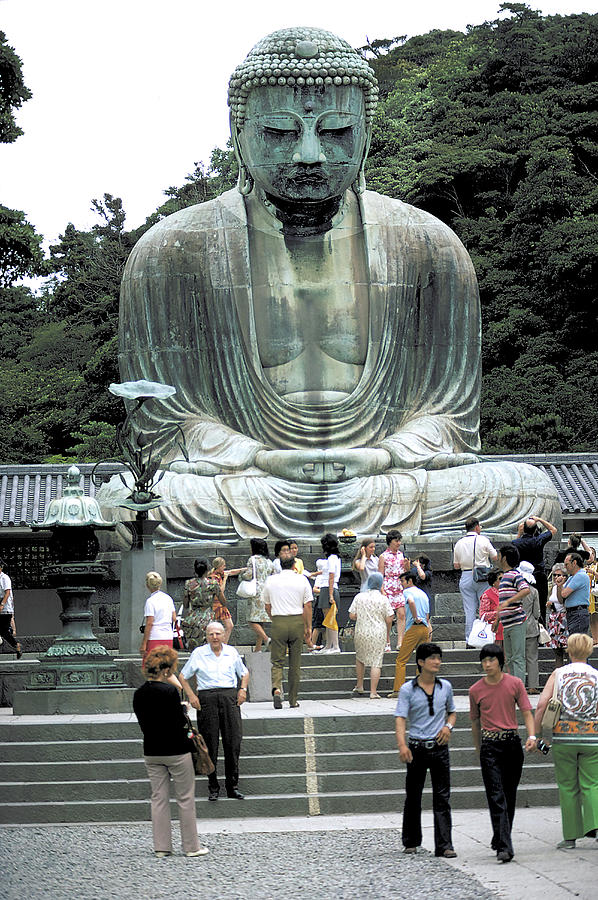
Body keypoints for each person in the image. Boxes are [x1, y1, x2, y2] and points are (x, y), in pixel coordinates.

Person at [105, 26, 560, 543]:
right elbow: (167, 426)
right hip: (249, 480)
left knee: (526, 490)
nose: (308, 154)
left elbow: (448, 418)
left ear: (365, 132)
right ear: (238, 132)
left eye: (335, 130)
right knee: (127, 501)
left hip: (383, 477)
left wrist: (384, 454)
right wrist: (258, 456)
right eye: (280, 131)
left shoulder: (429, 245)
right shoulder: (173, 251)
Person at [133, 646, 209, 858]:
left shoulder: (138, 694)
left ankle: (162, 847)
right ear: (166, 670)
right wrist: (183, 708)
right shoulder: (169, 692)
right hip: (176, 751)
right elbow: (179, 725)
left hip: (152, 750)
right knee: (185, 798)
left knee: (158, 798)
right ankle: (192, 847)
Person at [469, 643, 537, 863]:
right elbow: (475, 723)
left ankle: (500, 836)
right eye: (484, 660)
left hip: (511, 744)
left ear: (500, 661)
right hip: (489, 746)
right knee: (495, 795)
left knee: (509, 794)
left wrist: (532, 736)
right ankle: (505, 847)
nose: (487, 664)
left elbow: (527, 712)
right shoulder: (475, 690)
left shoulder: (515, 683)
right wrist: (478, 748)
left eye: (491, 660)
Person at [534, 632, 598, 850]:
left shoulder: (559, 674)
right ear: (589, 651)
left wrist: (536, 734)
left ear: (569, 651)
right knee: (592, 784)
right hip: (592, 737)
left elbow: (542, 704)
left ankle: (570, 837)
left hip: (563, 737)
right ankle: (596, 827)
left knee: (568, 786)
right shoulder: (596, 676)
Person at [395, 643, 457, 858]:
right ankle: (411, 841)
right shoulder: (407, 689)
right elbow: (401, 718)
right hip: (416, 747)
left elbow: (452, 713)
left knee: (442, 796)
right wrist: (402, 745)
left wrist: (448, 727)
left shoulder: (445, 687)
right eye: (432, 658)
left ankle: (445, 844)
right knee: (413, 795)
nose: (437, 662)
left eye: (439, 658)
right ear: (421, 662)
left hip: (439, 747)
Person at [179, 621, 249, 801]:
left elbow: (244, 673)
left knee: (233, 742)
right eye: (211, 634)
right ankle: (213, 787)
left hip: (229, 697)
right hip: (207, 698)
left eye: (218, 633)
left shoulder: (231, 652)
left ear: (224, 635)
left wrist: (243, 689)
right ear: (207, 636)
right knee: (209, 744)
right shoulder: (199, 653)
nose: (215, 637)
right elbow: (183, 676)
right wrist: (191, 696)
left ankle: (232, 786)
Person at [263, 555, 313, 708]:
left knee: (277, 661)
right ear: (294, 565)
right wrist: (308, 627)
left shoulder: (270, 581)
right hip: (297, 620)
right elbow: (308, 605)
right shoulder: (302, 579)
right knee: (295, 663)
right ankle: (293, 699)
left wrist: (275, 619)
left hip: (278, 621)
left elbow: (267, 605)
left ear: (279, 565)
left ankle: (277, 688)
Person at [387, 570, 432, 699]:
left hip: (413, 628)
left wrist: (415, 616)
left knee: (401, 660)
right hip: (424, 628)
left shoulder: (407, 592)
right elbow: (428, 615)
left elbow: (411, 602)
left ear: (409, 581)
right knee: (422, 660)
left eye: (402, 581)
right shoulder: (423, 594)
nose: (401, 584)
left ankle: (398, 690)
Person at [348, 572, 394, 698]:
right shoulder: (383, 599)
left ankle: (360, 685)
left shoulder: (359, 597)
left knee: (360, 657)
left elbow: (352, 615)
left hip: (361, 631)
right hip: (378, 632)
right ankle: (373, 692)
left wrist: (362, 616)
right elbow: (390, 617)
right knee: (376, 661)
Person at [453, 518, 498, 644]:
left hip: (466, 575)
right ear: (477, 527)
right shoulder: (483, 540)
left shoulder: (459, 543)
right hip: (483, 576)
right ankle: (486, 637)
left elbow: (456, 565)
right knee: (486, 610)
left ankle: (470, 640)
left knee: (469, 611)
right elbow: (494, 557)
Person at [513, 514, 557, 623]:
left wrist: (519, 533)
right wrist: (539, 519)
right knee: (541, 604)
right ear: (535, 530)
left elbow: (513, 547)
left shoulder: (517, 542)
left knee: (522, 604)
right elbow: (553, 529)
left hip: (522, 577)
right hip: (539, 575)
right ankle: (541, 627)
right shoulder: (538, 540)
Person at [496, 544, 530, 683]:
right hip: (507, 624)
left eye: (499, 555)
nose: (497, 558)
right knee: (509, 658)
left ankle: (519, 689)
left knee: (517, 658)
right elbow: (501, 602)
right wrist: (497, 620)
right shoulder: (504, 577)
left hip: (516, 622)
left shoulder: (515, 575)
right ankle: (512, 687)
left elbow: (525, 589)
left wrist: (508, 601)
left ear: (504, 558)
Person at [239, 537, 274, 652]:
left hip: (256, 592)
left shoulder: (252, 559)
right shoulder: (269, 562)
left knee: (251, 620)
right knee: (261, 621)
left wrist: (240, 575)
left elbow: (249, 575)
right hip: (267, 592)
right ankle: (257, 649)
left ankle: (266, 639)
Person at [379, 529, 408, 651]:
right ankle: (387, 641)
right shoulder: (383, 556)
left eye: (399, 541)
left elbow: (406, 572)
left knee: (401, 614)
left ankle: (400, 642)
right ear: (390, 542)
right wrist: (381, 589)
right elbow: (380, 574)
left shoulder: (401, 555)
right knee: (389, 617)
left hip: (399, 585)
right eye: (396, 541)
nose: (399, 543)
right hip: (388, 585)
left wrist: (407, 565)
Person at [182, 558, 219, 650]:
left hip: (193, 619)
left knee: (194, 650)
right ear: (207, 569)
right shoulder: (213, 583)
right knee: (209, 649)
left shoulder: (189, 584)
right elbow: (223, 601)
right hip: (208, 618)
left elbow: (185, 605)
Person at [140, 572, 176, 665]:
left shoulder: (150, 601)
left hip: (154, 636)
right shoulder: (168, 598)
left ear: (148, 585)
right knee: (165, 666)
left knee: (151, 667)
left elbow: (149, 623)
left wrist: (144, 643)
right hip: (168, 635)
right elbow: (174, 617)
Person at [316, 533, 342, 654]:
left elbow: (331, 576)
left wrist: (330, 595)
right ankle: (328, 645)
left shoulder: (332, 558)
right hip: (327, 588)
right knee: (328, 619)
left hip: (328, 588)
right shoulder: (335, 558)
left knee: (331, 619)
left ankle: (335, 646)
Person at [208, 557, 244, 643]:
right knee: (213, 627)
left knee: (229, 625)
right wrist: (225, 579)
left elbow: (232, 572)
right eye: (223, 566)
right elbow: (220, 590)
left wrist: (245, 569)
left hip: (221, 604)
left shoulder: (221, 573)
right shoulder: (213, 577)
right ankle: (215, 644)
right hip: (215, 604)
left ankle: (224, 644)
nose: (224, 568)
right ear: (219, 566)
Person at [519, 561, 541, 694]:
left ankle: (519, 685)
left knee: (518, 658)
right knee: (532, 658)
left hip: (516, 626)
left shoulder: (514, 590)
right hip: (531, 627)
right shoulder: (534, 591)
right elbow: (537, 613)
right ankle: (533, 686)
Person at [558, 552, 591, 637]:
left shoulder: (580, 576)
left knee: (577, 643)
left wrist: (561, 585)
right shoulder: (572, 577)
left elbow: (564, 594)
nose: (565, 567)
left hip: (578, 613)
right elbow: (561, 599)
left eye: (567, 564)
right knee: (574, 643)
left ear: (574, 563)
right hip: (573, 613)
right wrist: (559, 586)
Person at [546, 564, 569, 668]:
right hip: (554, 619)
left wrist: (560, 586)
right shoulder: (553, 587)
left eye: (559, 575)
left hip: (563, 619)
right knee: (557, 651)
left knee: (567, 650)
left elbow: (561, 601)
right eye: (554, 575)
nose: (556, 577)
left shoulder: (566, 587)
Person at [0, 558, 22, 659]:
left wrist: (2, 604)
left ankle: (16, 645)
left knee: (4, 631)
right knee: (3, 631)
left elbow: (7, 592)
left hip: (5, 609)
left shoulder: (4, 578)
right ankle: (16, 645)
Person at [479, 572, 503, 645]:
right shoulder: (487, 594)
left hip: (509, 629)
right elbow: (483, 615)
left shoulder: (508, 592)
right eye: (500, 579)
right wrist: (499, 613)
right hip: (495, 630)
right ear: (493, 582)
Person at [586, 548, 598, 646]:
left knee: (595, 617)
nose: (590, 556)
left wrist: (593, 572)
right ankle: (595, 638)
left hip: (595, 594)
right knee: (590, 618)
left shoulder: (596, 565)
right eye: (588, 553)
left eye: (592, 553)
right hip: (586, 595)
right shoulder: (582, 566)